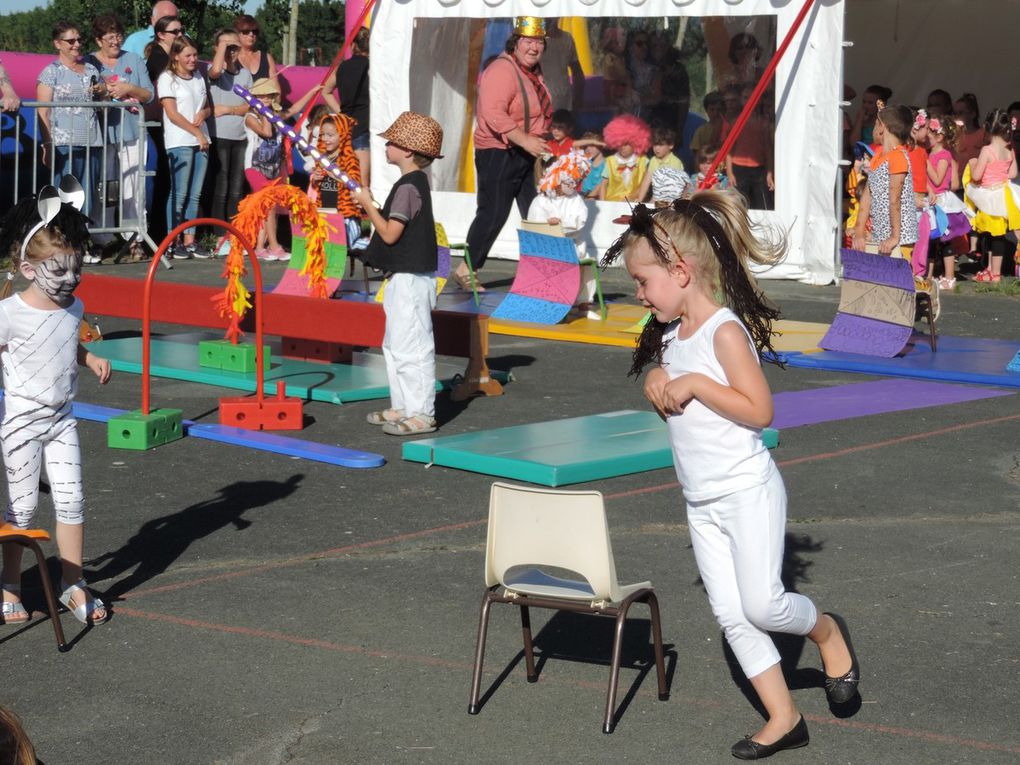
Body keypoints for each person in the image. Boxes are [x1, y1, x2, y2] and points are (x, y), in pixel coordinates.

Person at [600, 191, 859, 759]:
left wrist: (694, 385)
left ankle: (828, 632)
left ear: (681, 272)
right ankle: (783, 716)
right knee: (730, 615)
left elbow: (760, 411)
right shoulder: (673, 333)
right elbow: (677, 391)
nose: (639, 294)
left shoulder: (724, 330)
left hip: (746, 490)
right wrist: (659, 380)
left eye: (643, 282)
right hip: (700, 500)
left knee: (763, 606)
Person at [0, 183, 112, 629]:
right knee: (22, 512)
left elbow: (69, 345)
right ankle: (8, 587)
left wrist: (91, 357)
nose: (71, 279)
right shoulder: (10, 312)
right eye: (60, 271)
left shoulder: (74, 305)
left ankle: (73, 584)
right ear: (29, 268)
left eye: (76, 269)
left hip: (63, 421)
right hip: (22, 424)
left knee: (72, 502)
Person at [353, 112, 443, 436]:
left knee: (413, 346)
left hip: (411, 278)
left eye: (392, 141)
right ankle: (404, 405)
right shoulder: (410, 185)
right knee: (394, 344)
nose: (386, 145)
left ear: (407, 150)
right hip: (402, 277)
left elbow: (390, 234)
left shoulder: (409, 186)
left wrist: (367, 205)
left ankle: (422, 413)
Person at [458, 16, 551, 292]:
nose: (534, 47)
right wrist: (525, 139)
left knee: (535, 212)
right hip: (498, 152)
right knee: (494, 212)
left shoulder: (531, 71)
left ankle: (539, 270)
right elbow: (492, 113)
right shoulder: (502, 69)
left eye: (539, 42)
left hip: (524, 151)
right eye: (528, 41)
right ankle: (466, 267)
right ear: (516, 42)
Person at [85, 14, 154, 262]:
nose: (115, 41)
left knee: (133, 188)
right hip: (99, 135)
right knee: (102, 188)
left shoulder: (133, 60)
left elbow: (149, 95)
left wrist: (128, 89)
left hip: (132, 132)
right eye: (110, 36)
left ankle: (135, 238)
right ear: (98, 39)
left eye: (118, 35)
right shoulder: (89, 62)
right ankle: (100, 239)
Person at [243, 77, 323, 260]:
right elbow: (267, 132)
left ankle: (260, 247)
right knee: (269, 203)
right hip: (255, 167)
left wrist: (312, 91)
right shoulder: (250, 117)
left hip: (274, 167)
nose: (265, 100)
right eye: (261, 97)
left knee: (272, 208)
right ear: (254, 97)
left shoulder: (276, 117)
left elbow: (294, 110)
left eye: (268, 96)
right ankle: (275, 246)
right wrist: (264, 113)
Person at [36, 21, 104, 223]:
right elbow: (43, 111)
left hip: (92, 141)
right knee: (65, 194)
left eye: (79, 39)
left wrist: (103, 92)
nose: (76, 44)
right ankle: (62, 237)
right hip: (64, 143)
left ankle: (84, 239)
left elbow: (101, 104)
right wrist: (47, 145)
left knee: (89, 193)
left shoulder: (92, 69)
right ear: (58, 44)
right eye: (70, 40)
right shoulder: (51, 72)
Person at [158, 35, 211, 259]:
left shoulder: (198, 76)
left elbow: (207, 106)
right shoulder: (167, 78)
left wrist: (203, 113)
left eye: (195, 55)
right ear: (176, 56)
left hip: (201, 141)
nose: (193, 59)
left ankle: (190, 239)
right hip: (180, 141)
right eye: (188, 55)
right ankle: (173, 239)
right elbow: (172, 114)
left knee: (195, 194)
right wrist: (196, 131)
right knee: (179, 193)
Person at [852, 104, 918, 260]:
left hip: (900, 239)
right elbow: (867, 195)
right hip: (880, 234)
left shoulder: (898, 157)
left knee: (897, 280)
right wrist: (859, 231)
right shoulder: (878, 155)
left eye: (875, 124)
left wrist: (895, 237)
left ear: (883, 127)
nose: (873, 128)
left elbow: (894, 199)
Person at [964, 109, 1020, 284]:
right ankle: (989, 269)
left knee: (994, 236)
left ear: (986, 128)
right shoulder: (1009, 150)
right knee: (992, 233)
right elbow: (1013, 173)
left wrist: (973, 164)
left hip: (989, 197)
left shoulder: (987, 150)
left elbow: (977, 176)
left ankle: (995, 273)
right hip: (1003, 196)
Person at [143, 14, 183, 242]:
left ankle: (166, 232)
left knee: (169, 179)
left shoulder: (168, 55)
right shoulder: (158, 58)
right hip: (156, 123)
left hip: (167, 122)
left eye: (181, 31)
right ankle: (158, 233)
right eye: (175, 32)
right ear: (161, 35)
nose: (180, 35)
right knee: (162, 179)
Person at [208, 28, 253, 224]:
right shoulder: (212, 71)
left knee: (236, 188)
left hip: (240, 137)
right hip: (220, 136)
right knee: (221, 187)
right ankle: (219, 234)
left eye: (235, 47)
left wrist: (228, 109)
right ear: (216, 49)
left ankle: (234, 232)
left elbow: (250, 106)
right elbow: (217, 70)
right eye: (227, 46)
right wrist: (223, 47)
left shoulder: (245, 75)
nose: (231, 51)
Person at [305, 112, 363, 248]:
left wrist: (334, 174)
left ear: (342, 135)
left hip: (345, 216)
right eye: (323, 134)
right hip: (325, 212)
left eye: (330, 135)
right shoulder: (322, 158)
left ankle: (361, 243)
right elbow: (316, 188)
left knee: (341, 244)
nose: (325, 139)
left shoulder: (350, 159)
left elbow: (355, 184)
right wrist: (315, 180)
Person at [323, 26, 371, 188]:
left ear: (352, 45)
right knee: (363, 185)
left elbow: (326, 92)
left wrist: (341, 113)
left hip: (346, 129)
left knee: (350, 181)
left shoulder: (342, 67)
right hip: (365, 128)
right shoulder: (373, 67)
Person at [925, 117, 970, 289]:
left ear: (940, 137)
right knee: (930, 240)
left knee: (945, 240)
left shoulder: (944, 156)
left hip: (942, 202)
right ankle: (927, 276)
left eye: (930, 132)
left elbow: (938, 181)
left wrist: (925, 162)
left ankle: (950, 277)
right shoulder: (931, 153)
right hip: (931, 200)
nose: (927, 135)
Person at [598, 113, 651, 202]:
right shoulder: (610, 161)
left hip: (634, 204)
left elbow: (645, 185)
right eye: (620, 144)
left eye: (626, 144)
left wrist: (633, 197)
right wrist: (602, 203)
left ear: (635, 143)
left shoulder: (643, 161)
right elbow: (603, 185)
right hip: (612, 203)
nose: (623, 147)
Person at [539, 18, 584, 112]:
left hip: (562, 105)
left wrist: (577, 102)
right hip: (540, 104)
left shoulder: (567, 38)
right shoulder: (532, 40)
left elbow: (578, 73)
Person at [636, 126, 684, 202]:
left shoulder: (675, 162)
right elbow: (646, 181)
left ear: (671, 145)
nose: (656, 148)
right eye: (655, 145)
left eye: (661, 145)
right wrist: (639, 200)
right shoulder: (653, 160)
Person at [234, 15, 278, 83]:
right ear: (237, 34)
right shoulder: (231, 58)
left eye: (255, 31)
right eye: (246, 31)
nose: (251, 34)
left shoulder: (267, 58)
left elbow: (276, 90)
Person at [689, 91, 724, 159]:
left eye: (719, 109)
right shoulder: (701, 131)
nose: (716, 113)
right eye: (712, 109)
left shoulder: (728, 127)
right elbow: (696, 154)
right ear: (706, 110)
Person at [575, 131, 606, 199]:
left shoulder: (606, 163)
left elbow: (601, 185)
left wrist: (590, 197)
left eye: (592, 145)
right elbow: (573, 144)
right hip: (583, 194)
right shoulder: (585, 162)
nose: (588, 149)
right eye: (585, 146)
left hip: (596, 197)